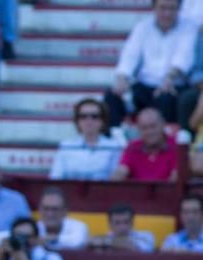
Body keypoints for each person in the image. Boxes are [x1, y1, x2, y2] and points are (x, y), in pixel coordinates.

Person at [104, 0, 195, 128]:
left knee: (166, 98)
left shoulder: (188, 28)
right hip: (145, 85)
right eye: (163, 8)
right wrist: (122, 78)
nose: (167, 13)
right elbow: (130, 54)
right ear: (154, 8)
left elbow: (184, 56)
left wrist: (170, 78)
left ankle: (166, 141)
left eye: (171, 8)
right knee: (112, 96)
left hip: (173, 85)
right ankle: (116, 136)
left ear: (179, 9)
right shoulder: (143, 27)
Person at [49, 98, 125, 181]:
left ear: (102, 121)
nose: (89, 121)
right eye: (83, 116)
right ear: (77, 121)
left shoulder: (113, 147)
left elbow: (114, 182)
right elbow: (56, 178)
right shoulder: (66, 146)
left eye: (94, 116)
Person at [111, 107, 179, 182]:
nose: (149, 132)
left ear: (163, 125)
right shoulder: (133, 146)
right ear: (138, 130)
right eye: (144, 128)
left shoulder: (176, 146)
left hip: (167, 192)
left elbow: (176, 178)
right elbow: (121, 170)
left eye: (153, 126)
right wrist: (118, 175)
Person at [88, 202, 156, 252]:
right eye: (117, 223)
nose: (122, 227)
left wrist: (104, 242)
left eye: (126, 222)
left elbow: (137, 249)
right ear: (110, 224)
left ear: (132, 222)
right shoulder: (103, 238)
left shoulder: (146, 236)